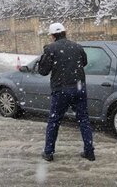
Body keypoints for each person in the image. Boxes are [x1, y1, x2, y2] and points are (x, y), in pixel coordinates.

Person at [38, 22, 95, 161]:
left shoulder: (51, 49)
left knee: (54, 121)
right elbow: (84, 62)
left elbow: (43, 71)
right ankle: (89, 152)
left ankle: (49, 152)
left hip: (61, 90)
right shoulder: (77, 46)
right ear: (65, 32)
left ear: (52, 35)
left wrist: (45, 57)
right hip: (79, 89)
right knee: (84, 120)